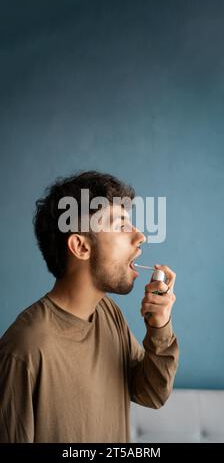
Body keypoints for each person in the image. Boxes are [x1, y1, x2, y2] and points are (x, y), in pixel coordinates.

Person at [0, 171, 178, 443]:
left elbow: (151, 394)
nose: (140, 236)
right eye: (120, 226)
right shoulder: (24, 349)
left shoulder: (108, 313)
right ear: (81, 246)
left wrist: (159, 326)